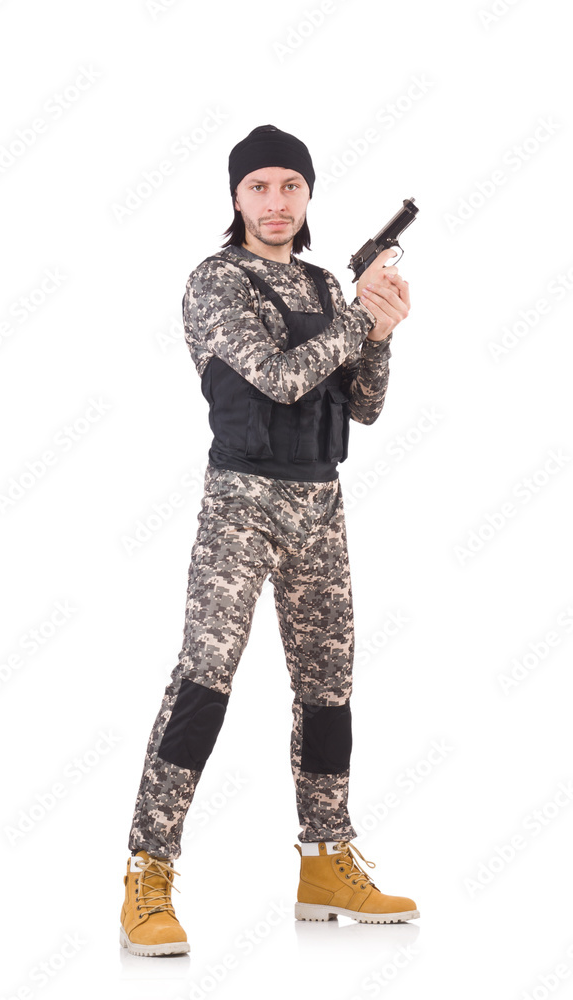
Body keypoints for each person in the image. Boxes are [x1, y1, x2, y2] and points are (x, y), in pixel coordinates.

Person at [119, 124, 419, 958]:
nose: (276, 202)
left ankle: (325, 861)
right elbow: (283, 380)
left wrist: (380, 335)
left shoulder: (327, 285)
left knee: (329, 690)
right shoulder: (217, 281)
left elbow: (362, 405)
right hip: (241, 502)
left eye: (291, 185)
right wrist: (361, 319)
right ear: (236, 197)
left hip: (320, 501)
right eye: (260, 187)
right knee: (205, 681)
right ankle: (148, 869)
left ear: (309, 195)